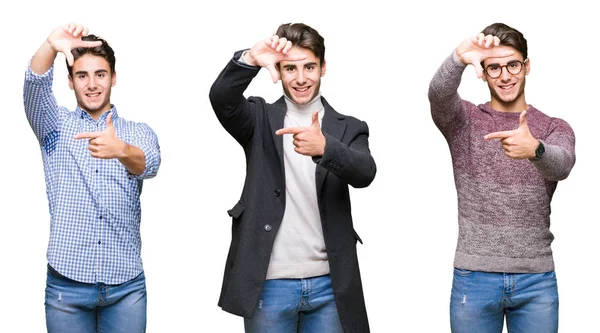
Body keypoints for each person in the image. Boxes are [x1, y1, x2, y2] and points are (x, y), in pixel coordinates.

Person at [209, 23, 376, 333]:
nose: (301, 79)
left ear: (323, 67)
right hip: (270, 282)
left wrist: (326, 148)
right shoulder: (258, 118)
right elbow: (222, 99)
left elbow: (365, 172)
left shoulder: (349, 128)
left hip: (330, 283)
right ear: (279, 71)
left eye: (309, 67)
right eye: (290, 69)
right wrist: (249, 59)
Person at [428, 22, 576, 332]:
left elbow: (562, 164)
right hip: (475, 276)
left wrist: (535, 150)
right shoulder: (463, 120)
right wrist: (458, 58)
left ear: (527, 66)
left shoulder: (552, 127)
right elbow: (438, 96)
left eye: (512, 64)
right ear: (482, 72)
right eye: (494, 68)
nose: (505, 75)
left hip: (536, 280)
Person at [23, 23, 161, 332]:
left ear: (113, 78)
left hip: (125, 287)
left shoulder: (138, 132)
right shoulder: (54, 125)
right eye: (82, 75)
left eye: (100, 74)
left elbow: (150, 164)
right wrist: (50, 44)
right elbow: (34, 88)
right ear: (71, 82)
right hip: (67, 287)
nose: (92, 84)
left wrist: (121, 149)